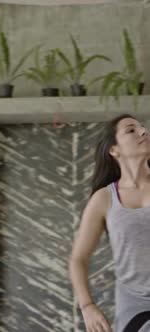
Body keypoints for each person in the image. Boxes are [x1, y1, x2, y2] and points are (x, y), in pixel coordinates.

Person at [70, 114, 150, 332]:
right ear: (114, 150)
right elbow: (78, 258)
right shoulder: (104, 198)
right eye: (131, 130)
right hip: (135, 310)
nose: (144, 132)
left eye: (144, 128)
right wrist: (87, 306)